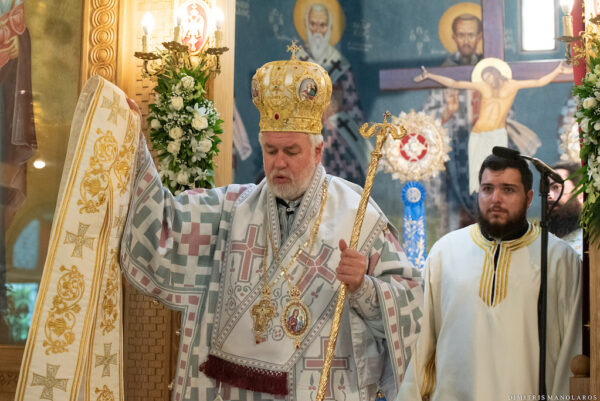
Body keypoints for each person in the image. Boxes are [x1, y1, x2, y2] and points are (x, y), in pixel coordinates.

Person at [121, 53, 423, 401]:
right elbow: (163, 223)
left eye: (291, 151)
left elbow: (412, 304)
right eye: (270, 150)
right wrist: (132, 145)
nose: (278, 162)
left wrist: (363, 287)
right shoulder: (230, 209)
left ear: (318, 152)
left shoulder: (358, 217)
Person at [396, 154, 582, 400]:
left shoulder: (559, 258)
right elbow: (423, 342)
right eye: (487, 189)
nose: (496, 199)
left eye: (508, 189)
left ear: (528, 199)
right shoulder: (445, 252)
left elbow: (572, 350)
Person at [415, 58, 571, 194]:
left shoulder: (512, 85)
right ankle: (480, 207)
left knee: (497, 173)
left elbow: (539, 82)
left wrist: (557, 71)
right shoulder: (484, 87)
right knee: (478, 176)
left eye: (489, 76)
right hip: (478, 133)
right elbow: (456, 83)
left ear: (497, 74)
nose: (487, 80)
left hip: (497, 134)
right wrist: (430, 75)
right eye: (484, 78)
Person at [293, 0, 372, 185]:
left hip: (336, 137)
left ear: (329, 28)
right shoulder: (296, 63)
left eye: (322, 25)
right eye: (313, 24)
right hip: (304, 131)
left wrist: (336, 110)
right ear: (306, 25)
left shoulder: (341, 65)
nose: (317, 31)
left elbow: (354, 108)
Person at [548, 161, 583, 257]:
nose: (549, 195)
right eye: (545, 189)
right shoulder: (542, 240)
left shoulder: (592, 239)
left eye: (556, 187)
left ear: (580, 193)